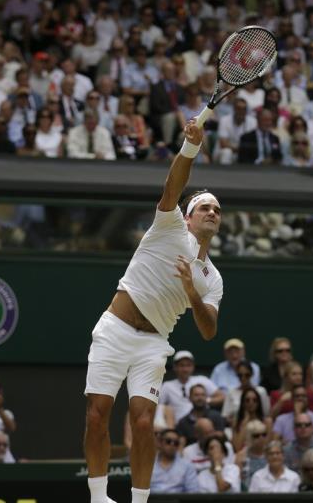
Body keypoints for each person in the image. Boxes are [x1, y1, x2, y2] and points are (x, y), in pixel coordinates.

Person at [83, 121, 220, 503]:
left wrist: (192, 292)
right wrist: (189, 148)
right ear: (188, 217)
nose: (211, 212)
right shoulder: (169, 225)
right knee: (98, 413)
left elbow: (209, 330)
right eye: (204, 207)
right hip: (115, 328)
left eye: (217, 210)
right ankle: (99, 498)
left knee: (144, 423)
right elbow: (172, 186)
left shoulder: (213, 278)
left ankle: (138, 502)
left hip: (154, 343)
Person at [161, 351, 223, 422]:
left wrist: (204, 400)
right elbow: (159, 407)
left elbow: (221, 397)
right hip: (178, 427)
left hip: (204, 423)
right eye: (182, 365)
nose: (185, 369)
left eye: (188, 365)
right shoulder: (167, 386)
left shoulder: (202, 380)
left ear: (193, 367)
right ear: (175, 367)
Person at [150, 429, 199, 493]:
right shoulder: (148, 464)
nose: (172, 445)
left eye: (176, 443)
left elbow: (193, 492)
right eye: (168, 441)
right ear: (160, 443)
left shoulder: (187, 466)